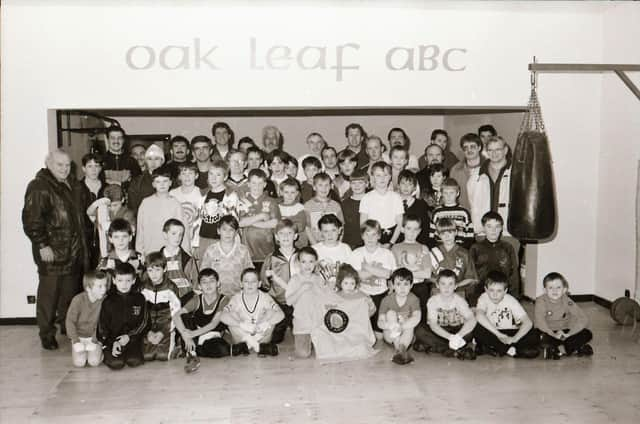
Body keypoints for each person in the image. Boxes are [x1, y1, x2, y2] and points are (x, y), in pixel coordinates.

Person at [22, 149, 88, 350]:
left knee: (69, 295)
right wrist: (42, 245)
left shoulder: (74, 185)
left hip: (73, 251)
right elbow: (32, 221)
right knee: (48, 297)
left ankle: (66, 328)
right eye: (59, 164)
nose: (64, 168)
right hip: (52, 252)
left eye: (67, 165)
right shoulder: (39, 187)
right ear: (49, 164)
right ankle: (46, 333)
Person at [311, 263, 378, 361]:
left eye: (352, 283)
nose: (349, 286)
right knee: (323, 337)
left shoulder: (361, 296)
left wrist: (369, 305)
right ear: (340, 283)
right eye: (346, 283)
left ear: (356, 283)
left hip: (355, 331)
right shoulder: (336, 295)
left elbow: (370, 313)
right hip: (341, 332)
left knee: (361, 347)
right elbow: (330, 310)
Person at [173, 268, 231, 374]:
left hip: (211, 335)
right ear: (199, 286)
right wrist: (185, 334)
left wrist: (191, 334)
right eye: (204, 282)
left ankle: (191, 351)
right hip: (194, 336)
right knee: (184, 316)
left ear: (218, 283)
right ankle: (191, 353)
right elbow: (176, 316)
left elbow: (214, 324)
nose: (208, 285)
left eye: (212, 281)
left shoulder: (224, 300)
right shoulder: (197, 299)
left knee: (223, 350)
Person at [474, 271, 540, 358]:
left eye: (499, 291)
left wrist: (514, 339)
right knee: (477, 328)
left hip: (508, 333)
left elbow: (528, 322)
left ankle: (499, 348)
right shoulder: (484, 298)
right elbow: (479, 315)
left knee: (534, 334)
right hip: (493, 332)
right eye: (491, 290)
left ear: (505, 291)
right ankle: (509, 350)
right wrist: (499, 335)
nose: (495, 294)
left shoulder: (510, 300)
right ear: (486, 290)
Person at [414, 269, 477, 360]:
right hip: (440, 332)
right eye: (443, 284)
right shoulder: (433, 301)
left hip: (457, 330)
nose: (446, 288)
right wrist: (450, 338)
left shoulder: (459, 301)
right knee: (419, 330)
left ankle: (441, 348)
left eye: (450, 284)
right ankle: (456, 349)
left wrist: (458, 336)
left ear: (455, 286)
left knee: (471, 331)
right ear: (437, 285)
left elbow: (471, 319)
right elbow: (433, 325)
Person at [220, 268, 285, 356]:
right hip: (242, 335)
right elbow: (222, 316)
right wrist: (242, 325)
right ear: (241, 284)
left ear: (259, 284)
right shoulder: (236, 298)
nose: (250, 284)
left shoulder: (265, 297)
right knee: (231, 314)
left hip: (260, 334)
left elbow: (281, 314)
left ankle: (250, 345)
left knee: (271, 313)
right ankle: (257, 347)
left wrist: (265, 324)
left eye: (253, 281)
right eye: (246, 281)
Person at [98, 262, 148, 370]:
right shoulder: (108, 301)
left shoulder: (140, 298)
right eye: (120, 280)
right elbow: (102, 327)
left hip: (132, 339)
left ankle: (131, 350)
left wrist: (130, 336)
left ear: (134, 280)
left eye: (128, 281)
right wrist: (112, 342)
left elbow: (144, 322)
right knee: (117, 364)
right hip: (112, 340)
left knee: (135, 361)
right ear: (114, 280)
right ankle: (107, 351)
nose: (124, 285)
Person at [350, 220, 397, 333]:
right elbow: (357, 276)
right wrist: (378, 270)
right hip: (362, 294)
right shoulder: (356, 253)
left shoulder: (386, 254)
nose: (370, 238)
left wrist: (367, 267)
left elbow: (388, 274)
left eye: (374, 234)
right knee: (363, 330)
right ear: (362, 236)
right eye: (367, 234)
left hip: (381, 294)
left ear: (379, 236)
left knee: (379, 334)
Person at [535, 272, 593, 359]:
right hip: (547, 332)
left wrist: (569, 334)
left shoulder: (567, 301)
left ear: (564, 289)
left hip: (564, 333)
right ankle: (576, 348)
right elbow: (540, 322)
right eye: (550, 288)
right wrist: (553, 334)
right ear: (544, 290)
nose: (555, 291)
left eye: (558, 287)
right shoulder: (541, 301)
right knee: (536, 337)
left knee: (587, 333)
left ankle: (559, 350)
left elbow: (583, 318)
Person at [135, 165, 190, 256]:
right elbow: (140, 230)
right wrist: (140, 251)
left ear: (170, 183)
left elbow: (183, 230)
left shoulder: (175, 204)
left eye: (165, 181)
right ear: (153, 184)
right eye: (158, 182)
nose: (162, 184)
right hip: (150, 251)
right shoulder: (146, 203)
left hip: (170, 252)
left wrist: (186, 253)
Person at [261, 219, 301, 344]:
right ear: (276, 237)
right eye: (281, 234)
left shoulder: (302, 256)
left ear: (295, 236)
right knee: (275, 338)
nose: (285, 236)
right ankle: (281, 325)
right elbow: (264, 283)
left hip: (298, 302)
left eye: (289, 233)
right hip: (279, 303)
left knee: (301, 334)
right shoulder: (271, 258)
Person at [285, 246, 326, 358]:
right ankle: (306, 341)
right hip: (302, 323)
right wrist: (301, 289)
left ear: (316, 262)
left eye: (311, 261)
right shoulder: (295, 280)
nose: (307, 265)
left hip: (318, 322)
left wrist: (316, 288)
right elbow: (289, 301)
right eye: (304, 261)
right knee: (303, 354)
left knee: (325, 352)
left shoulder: (318, 279)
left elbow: (325, 298)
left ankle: (315, 341)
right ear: (298, 263)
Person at [140, 251, 182, 361]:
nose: (154, 274)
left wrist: (163, 332)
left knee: (163, 357)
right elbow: (139, 313)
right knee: (146, 357)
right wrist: (147, 332)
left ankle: (176, 344)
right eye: (150, 270)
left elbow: (176, 313)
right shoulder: (142, 288)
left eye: (157, 270)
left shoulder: (171, 288)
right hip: (147, 328)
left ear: (164, 269)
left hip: (166, 328)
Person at [392, 214, 433, 320]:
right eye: (409, 228)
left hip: (419, 288)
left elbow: (427, 273)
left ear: (419, 231)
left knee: (421, 319)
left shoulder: (423, 248)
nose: (412, 232)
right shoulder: (395, 248)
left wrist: (404, 273)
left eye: (415, 229)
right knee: (402, 318)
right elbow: (394, 272)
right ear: (402, 229)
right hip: (401, 288)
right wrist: (414, 272)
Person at [200, 215, 253, 296]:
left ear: (236, 232)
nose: (227, 233)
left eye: (231, 230)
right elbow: (203, 274)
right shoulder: (211, 250)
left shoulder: (243, 250)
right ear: (218, 231)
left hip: (237, 295)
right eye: (224, 229)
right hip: (216, 296)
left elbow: (250, 274)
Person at [469, 212, 519, 297]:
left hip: (502, 294)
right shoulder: (475, 248)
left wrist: (513, 297)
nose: (493, 230)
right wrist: (472, 299)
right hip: (480, 293)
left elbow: (514, 275)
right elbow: (470, 275)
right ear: (483, 228)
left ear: (501, 228)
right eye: (489, 226)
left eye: (497, 226)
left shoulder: (507, 248)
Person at [65, 270, 109, 367]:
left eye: (105, 285)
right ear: (88, 288)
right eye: (100, 286)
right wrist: (76, 341)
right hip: (79, 337)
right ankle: (81, 349)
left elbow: (103, 324)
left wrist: (94, 340)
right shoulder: (78, 300)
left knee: (94, 362)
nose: (104, 290)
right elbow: (70, 322)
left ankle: (102, 350)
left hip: (95, 337)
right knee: (79, 363)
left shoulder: (105, 301)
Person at [378, 268, 421, 365]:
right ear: (392, 285)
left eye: (406, 284)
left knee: (411, 322)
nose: (402, 288)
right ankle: (400, 349)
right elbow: (380, 323)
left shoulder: (414, 299)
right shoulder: (386, 300)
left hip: (407, 335)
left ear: (411, 285)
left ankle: (400, 350)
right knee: (390, 313)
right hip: (390, 336)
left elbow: (417, 318)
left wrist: (401, 327)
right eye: (398, 284)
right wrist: (392, 326)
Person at [430, 218, 479, 305]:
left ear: (456, 232)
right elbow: (427, 276)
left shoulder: (464, 253)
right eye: (443, 233)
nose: (447, 236)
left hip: (458, 292)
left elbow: (471, 277)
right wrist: (443, 285)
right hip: (437, 292)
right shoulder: (433, 252)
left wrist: (456, 285)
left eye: (450, 232)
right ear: (438, 234)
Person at [473, 136, 514, 239]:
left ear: (505, 150)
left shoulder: (516, 173)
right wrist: (477, 226)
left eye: (498, 149)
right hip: (483, 233)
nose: (494, 153)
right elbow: (473, 203)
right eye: (490, 150)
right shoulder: (476, 175)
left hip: (508, 232)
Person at [198, 159, 240, 258]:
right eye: (211, 174)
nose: (213, 178)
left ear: (225, 177)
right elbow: (198, 220)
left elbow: (234, 221)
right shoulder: (203, 194)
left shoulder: (231, 196)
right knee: (204, 270)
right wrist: (195, 242)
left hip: (222, 240)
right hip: (204, 238)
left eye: (218, 175)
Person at [238, 169, 280, 266]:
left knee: (266, 279)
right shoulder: (243, 201)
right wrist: (261, 216)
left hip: (267, 250)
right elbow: (240, 223)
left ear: (265, 184)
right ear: (248, 184)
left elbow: (274, 223)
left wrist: (250, 222)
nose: (257, 186)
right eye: (254, 183)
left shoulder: (271, 201)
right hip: (248, 251)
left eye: (260, 183)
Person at [359, 161, 404, 245]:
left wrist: (391, 243)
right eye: (378, 175)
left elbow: (400, 223)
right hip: (372, 238)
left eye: (385, 175)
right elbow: (363, 224)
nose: (382, 178)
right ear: (372, 177)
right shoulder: (366, 198)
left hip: (393, 237)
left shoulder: (396, 197)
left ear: (390, 177)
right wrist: (374, 242)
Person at [76, 153, 105, 268]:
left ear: (101, 168)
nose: (94, 169)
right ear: (83, 168)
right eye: (90, 166)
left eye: (97, 166)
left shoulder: (107, 188)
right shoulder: (76, 188)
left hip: (103, 238)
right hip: (82, 238)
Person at [428, 178, 474, 249]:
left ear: (457, 193)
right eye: (446, 193)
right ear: (441, 193)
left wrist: (462, 249)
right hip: (441, 248)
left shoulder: (464, 212)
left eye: (451, 193)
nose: (448, 196)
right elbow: (431, 236)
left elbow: (470, 236)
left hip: (459, 248)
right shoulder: (437, 212)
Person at [169, 161, 205, 254]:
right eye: (183, 174)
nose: (187, 177)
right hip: (177, 236)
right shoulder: (172, 194)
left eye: (190, 173)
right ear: (179, 177)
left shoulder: (202, 194)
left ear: (196, 175)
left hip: (196, 238)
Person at [159, 219, 198, 301]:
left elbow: (196, 283)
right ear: (165, 235)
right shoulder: (157, 259)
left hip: (185, 300)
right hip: (163, 301)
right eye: (174, 233)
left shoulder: (188, 259)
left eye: (180, 234)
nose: (177, 237)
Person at [304, 172, 344, 245]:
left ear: (331, 186)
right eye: (320, 185)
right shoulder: (308, 205)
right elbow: (307, 228)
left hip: (333, 243)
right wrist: (315, 245)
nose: (324, 188)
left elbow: (341, 227)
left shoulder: (336, 205)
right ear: (314, 187)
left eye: (326, 185)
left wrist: (338, 243)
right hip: (316, 243)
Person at [312, 214, 353, 285]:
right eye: (326, 231)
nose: (330, 235)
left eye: (333, 230)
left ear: (340, 230)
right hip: (320, 289)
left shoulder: (346, 248)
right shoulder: (314, 249)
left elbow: (351, 273)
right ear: (320, 232)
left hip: (341, 288)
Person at [449, 133, 483, 215]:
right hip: (462, 214)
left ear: (479, 147)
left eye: (472, 147)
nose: (469, 150)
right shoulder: (455, 170)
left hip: (484, 214)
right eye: (465, 147)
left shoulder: (488, 168)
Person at [127, 144, 166, 214]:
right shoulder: (137, 182)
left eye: (157, 158)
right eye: (149, 159)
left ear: (162, 161)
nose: (153, 162)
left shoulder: (170, 180)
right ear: (145, 161)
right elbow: (133, 208)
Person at [396, 170, 430, 246]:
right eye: (403, 183)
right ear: (398, 185)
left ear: (414, 187)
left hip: (415, 244)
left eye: (410, 184)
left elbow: (425, 228)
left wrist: (421, 245)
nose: (406, 187)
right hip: (396, 244)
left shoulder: (421, 204)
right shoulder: (393, 203)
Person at [340, 168, 368, 249]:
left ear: (367, 184)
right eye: (353, 183)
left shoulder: (372, 201)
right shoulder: (344, 203)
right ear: (350, 184)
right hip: (349, 243)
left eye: (360, 183)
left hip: (368, 243)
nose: (357, 186)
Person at [277, 178, 307, 248]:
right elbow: (276, 225)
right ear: (281, 192)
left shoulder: (300, 207)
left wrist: (284, 220)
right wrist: (292, 220)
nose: (289, 195)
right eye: (286, 192)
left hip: (298, 242)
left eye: (292, 192)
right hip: (282, 240)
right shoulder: (277, 207)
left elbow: (301, 226)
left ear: (297, 193)